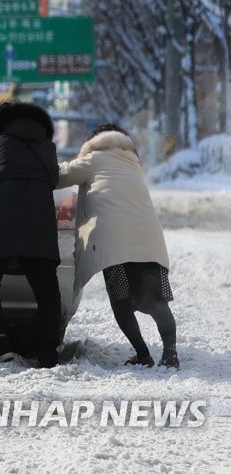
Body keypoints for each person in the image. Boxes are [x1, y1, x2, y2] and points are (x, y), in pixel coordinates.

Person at [57, 123, 178, 369]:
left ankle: (143, 354)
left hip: (114, 242)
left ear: (95, 142)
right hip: (148, 239)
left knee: (121, 301)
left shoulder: (94, 158)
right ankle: (170, 353)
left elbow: (62, 175)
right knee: (157, 301)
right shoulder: (132, 162)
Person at [0, 100, 62, 368]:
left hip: (1, 225)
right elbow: (54, 180)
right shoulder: (48, 148)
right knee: (47, 291)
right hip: (39, 226)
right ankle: (48, 354)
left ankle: (0, 345)